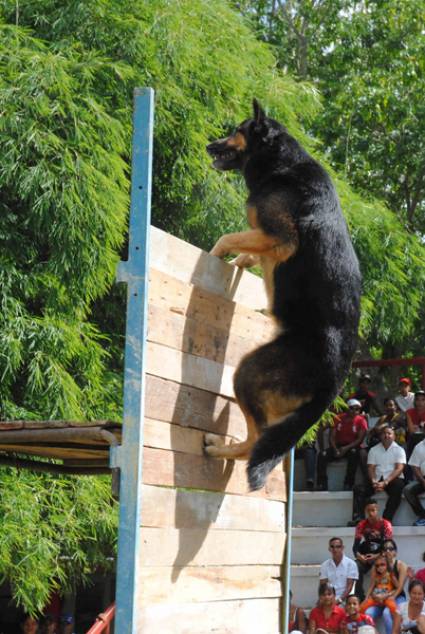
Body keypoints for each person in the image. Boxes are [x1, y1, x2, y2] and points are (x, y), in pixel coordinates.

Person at [351, 426, 406, 523]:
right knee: (359, 489)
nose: (386, 435)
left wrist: (385, 482)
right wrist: (373, 481)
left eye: (389, 433)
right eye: (384, 433)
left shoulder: (399, 450)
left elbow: (399, 469)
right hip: (377, 479)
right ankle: (358, 519)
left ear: (394, 436)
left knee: (398, 488)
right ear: (380, 436)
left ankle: (386, 519)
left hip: (392, 479)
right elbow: (371, 467)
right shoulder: (374, 450)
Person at [317, 399, 368, 491]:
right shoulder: (338, 418)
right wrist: (335, 449)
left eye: (357, 409)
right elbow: (332, 437)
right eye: (352, 408)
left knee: (354, 453)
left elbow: (360, 439)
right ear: (347, 408)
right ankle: (322, 484)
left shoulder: (361, 420)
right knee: (322, 455)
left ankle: (348, 483)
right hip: (338, 445)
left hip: (352, 446)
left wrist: (346, 448)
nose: (355, 411)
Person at [352, 498, 393, 600]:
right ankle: (359, 596)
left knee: (385, 563)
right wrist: (360, 557)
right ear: (365, 511)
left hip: (381, 554)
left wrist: (376, 556)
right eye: (368, 511)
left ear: (377, 509)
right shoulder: (361, 524)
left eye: (373, 510)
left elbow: (389, 547)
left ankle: (384, 595)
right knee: (356, 565)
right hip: (366, 554)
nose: (371, 514)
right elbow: (355, 547)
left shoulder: (386, 524)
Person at [361, 555, 397, 634]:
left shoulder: (391, 575)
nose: (380, 567)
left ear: (387, 564)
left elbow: (397, 588)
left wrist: (388, 595)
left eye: (382, 564)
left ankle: (398, 626)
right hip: (376, 598)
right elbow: (371, 587)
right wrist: (366, 598)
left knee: (393, 608)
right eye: (377, 565)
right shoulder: (376, 576)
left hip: (386, 597)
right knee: (362, 608)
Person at [320, 536, 359, 604]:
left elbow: (349, 587)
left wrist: (339, 600)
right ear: (329, 549)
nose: (335, 549)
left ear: (342, 548)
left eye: (338, 546)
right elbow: (323, 586)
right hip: (329, 598)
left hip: (345, 599)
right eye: (332, 547)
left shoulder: (351, 564)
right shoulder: (324, 565)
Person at [404, 438, 425, 526]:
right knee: (407, 490)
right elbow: (414, 466)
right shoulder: (419, 447)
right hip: (423, 478)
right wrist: (423, 481)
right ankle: (423, 517)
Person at [383, 539, 409, 606]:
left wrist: (392, 597)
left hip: (398, 596)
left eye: (390, 549)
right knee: (369, 611)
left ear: (395, 552)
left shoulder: (402, 565)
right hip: (383, 596)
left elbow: (400, 587)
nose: (388, 551)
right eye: (385, 549)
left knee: (386, 613)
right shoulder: (379, 565)